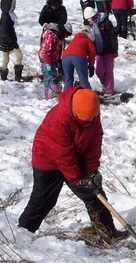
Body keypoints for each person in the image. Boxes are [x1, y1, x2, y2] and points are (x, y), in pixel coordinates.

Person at [16, 86, 125, 239]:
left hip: (77, 157)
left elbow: (95, 140)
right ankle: (22, 236)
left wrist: (91, 170)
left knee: (94, 194)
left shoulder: (92, 112)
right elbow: (63, 154)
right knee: (43, 201)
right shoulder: (58, 119)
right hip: (48, 161)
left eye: (92, 118)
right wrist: (78, 179)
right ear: (75, 113)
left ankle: (107, 233)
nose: (90, 121)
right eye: (85, 120)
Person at [60, 18, 97, 90]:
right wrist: (91, 66)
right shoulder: (88, 40)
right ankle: (88, 96)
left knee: (68, 81)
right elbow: (92, 53)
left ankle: (65, 96)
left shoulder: (75, 39)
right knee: (83, 81)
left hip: (65, 57)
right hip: (79, 57)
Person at [92, 11, 119, 97]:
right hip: (99, 52)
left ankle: (109, 90)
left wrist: (115, 50)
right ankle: (105, 83)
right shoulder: (91, 25)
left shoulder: (107, 23)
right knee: (99, 71)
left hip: (109, 51)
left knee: (109, 71)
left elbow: (113, 37)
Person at [0, 0, 23, 81]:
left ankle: (18, 75)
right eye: (12, 6)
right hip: (6, 41)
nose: (14, 8)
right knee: (7, 58)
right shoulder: (5, 17)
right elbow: (5, 33)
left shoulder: (9, 15)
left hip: (11, 39)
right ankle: (4, 75)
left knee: (18, 56)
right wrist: (12, 42)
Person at [38, 22, 65, 100]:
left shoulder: (57, 37)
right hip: (46, 60)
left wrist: (57, 60)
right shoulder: (52, 37)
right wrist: (48, 63)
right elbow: (46, 51)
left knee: (53, 75)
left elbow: (57, 50)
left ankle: (55, 91)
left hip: (51, 59)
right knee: (48, 76)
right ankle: (49, 95)